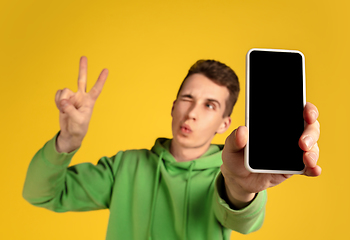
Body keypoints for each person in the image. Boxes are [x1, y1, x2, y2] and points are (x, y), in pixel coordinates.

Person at [23, 57, 321, 240]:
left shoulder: (229, 173)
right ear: (173, 106)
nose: (192, 112)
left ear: (223, 123)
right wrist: (68, 142)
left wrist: (241, 188)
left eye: (209, 105)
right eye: (187, 98)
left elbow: (244, 222)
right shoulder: (125, 167)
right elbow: (40, 193)